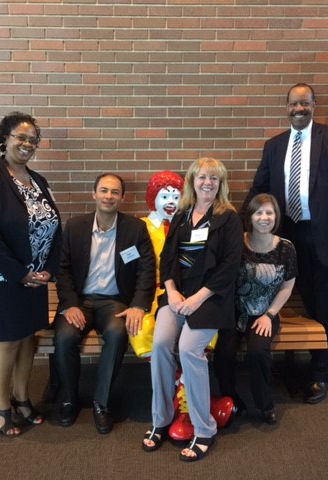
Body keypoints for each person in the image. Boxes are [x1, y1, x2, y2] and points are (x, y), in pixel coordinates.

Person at [243, 83, 328, 404]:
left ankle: (321, 374)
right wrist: (240, 230)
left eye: (305, 103)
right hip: (287, 238)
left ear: (314, 105)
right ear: (287, 107)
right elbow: (259, 188)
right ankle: (292, 366)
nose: (300, 109)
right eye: (294, 104)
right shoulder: (274, 146)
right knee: (296, 299)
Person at [142, 157, 243, 462]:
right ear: (192, 181)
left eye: (214, 178)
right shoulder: (183, 215)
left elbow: (229, 268)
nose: (207, 183)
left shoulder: (229, 218)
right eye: (202, 178)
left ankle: (205, 427)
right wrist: (172, 292)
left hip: (211, 300)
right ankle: (161, 419)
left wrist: (196, 298)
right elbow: (168, 258)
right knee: (159, 345)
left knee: (188, 349)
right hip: (177, 297)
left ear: (221, 184)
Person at [0, 111, 62, 437]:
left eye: (32, 140)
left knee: (28, 338)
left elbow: (54, 227)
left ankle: (23, 398)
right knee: (8, 339)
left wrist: (49, 268)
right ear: (4, 138)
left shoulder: (39, 181)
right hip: (0, 275)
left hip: (35, 277)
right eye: (21, 137)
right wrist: (17, 273)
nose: (27, 144)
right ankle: (1, 405)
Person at [54, 173, 155, 434]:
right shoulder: (75, 227)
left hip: (115, 302)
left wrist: (138, 305)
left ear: (122, 197)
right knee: (64, 337)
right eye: (104, 190)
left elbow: (147, 270)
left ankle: (102, 402)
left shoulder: (135, 228)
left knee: (117, 333)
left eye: (114, 192)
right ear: (94, 194)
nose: (109, 196)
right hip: (81, 301)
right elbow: (62, 270)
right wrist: (69, 304)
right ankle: (68, 398)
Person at [213, 193, 297, 424]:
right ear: (250, 217)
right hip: (233, 313)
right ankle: (232, 400)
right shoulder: (237, 242)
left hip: (265, 314)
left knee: (257, 353)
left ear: (276, 217)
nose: (264, 217)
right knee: (224, 354)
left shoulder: (286, 248)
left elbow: (287, 288)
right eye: (259, 212)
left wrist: (269, 315)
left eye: (269, 212)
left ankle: (264, 404)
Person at [129, 171, 184, 358]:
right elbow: (128, 260)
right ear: (153, 197)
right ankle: (174, 378)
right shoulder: (139, 226)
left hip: (180, 292)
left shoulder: (187, 225)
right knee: (143, 329)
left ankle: (177, 378)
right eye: (165, 196)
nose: (171, 201)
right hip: (149, 292)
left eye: (176, 197)